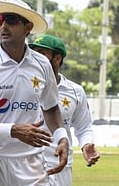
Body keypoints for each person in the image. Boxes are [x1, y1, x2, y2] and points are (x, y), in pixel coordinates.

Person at [0, 0, 70, 186]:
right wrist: (13, 131)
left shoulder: (42, 63)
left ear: (28, 27)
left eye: (11, 20)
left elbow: (51, 107)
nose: (3, 26)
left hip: (30, 162)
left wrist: (62, 137)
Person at [29, 34, 100, 185]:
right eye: (33, 52)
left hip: (60, 165)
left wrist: (86, 144)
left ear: (57, 59)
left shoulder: (75, 91)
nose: (35, 58)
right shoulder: (24, 85)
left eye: (41, 53)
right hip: (27, 162)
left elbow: (83, 126)